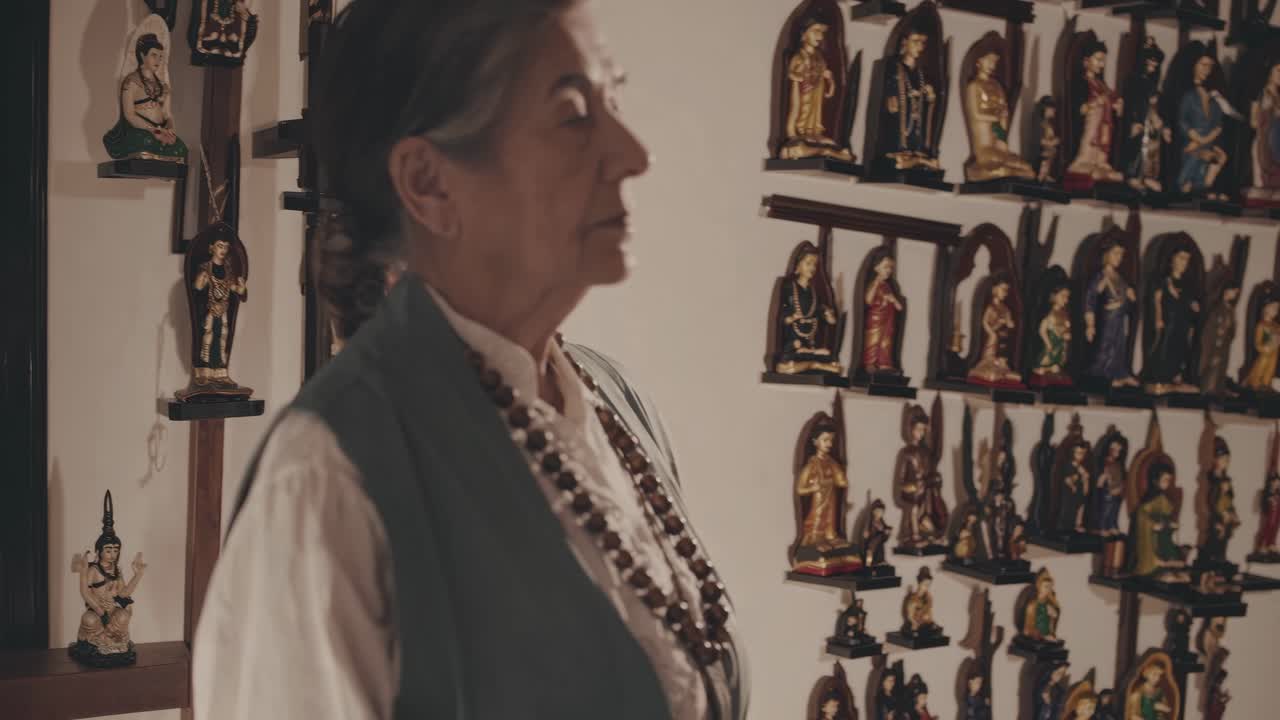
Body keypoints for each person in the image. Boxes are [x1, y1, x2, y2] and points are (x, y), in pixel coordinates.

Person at [192, 2, 746, 718]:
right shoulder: (328, 477)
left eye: (614, 99)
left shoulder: (614, 406)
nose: (634, 152)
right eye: (575, 114)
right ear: (428, 183)